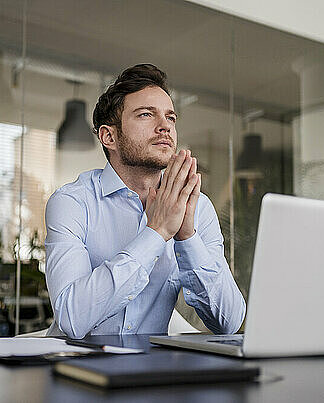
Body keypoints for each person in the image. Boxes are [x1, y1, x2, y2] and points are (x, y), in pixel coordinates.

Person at [44, 64, 246, 339]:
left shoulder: (197, 207)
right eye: (146, 114)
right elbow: (71, 319)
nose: (164, 126)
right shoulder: (72, 202)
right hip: (75, 369)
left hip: (151, 372)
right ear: (109, 136)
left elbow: (229, 322)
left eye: (171, 117)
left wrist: (186, 236)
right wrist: (157, 232)